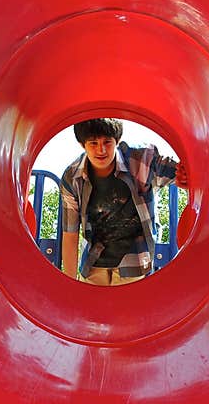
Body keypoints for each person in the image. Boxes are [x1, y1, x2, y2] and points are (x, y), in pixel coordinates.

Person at [59, 118, 188, 286]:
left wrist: (184, 176)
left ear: (117, 141)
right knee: (92, 310)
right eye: (93, 143)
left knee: (129, 309)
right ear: (82, 144)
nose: (101, 149)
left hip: (134, 261)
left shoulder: (141, 160)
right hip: (94, 262)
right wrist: (70, 285)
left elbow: (184, 171)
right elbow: (70, 234)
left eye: (107, 142)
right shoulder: (73, 177)